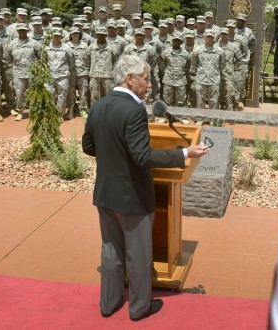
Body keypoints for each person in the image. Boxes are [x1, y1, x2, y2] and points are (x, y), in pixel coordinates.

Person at [81, 54, 207, 321]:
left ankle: (108, 303)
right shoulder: (134, 109)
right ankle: (139, 308)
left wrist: (114, 156)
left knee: (111, 251)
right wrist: (183, 154)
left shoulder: (98, 105)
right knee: (137, 255)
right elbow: (143, 156)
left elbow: (88, 147)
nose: (149, 85)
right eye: (146, 79)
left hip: (106, 194)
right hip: (133, 199)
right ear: (130, 79)